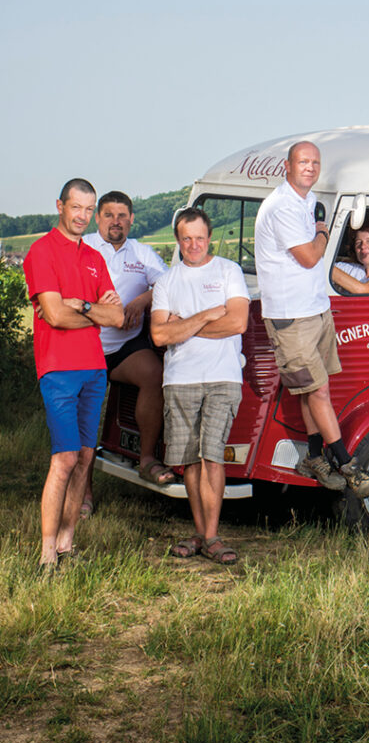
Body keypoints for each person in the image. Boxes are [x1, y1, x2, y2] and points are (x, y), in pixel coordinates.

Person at [253, 140, 369, 497]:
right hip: (290, 316)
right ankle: (348, 464)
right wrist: (323, 231)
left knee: (312, 389)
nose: (309, 167)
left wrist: (318, 226)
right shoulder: (282, 208)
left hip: (315, 308)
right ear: (287, 167)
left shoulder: (305, 202)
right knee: (319, 390)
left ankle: (313, 455)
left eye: (314, 162)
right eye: (303, 161)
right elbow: (310, 257)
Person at [23, 178, 124, 571]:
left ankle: (67, 545)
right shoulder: (41, 251)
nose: (82, 215)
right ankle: (46, 556)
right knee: (63, 458)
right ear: (60, 207)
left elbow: (116, 317)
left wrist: (80, 304)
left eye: (88, 209)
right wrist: (92, 312)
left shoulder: (95, 258)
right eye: (75, 207)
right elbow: (53, 314)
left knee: (85, 456)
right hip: (58, 370)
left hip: (94, 369)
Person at [151, 208, 250, 564]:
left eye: (200, 238)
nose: (194, 245)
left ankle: (212, 535)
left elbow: (238, 322)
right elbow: (160, 334)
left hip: (223, 376)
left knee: (212, 455)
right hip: (180, 379)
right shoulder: (167, 280)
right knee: (190, 461)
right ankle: (200, 532)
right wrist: (207, 315)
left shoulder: (229, 271)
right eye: (187, 239)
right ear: (178, 240)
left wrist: (186, 327)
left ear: (210, 238)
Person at [81, 190, 173, 515]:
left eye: (122, 215)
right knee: (86, 417)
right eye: (109, 215)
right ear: (97, 218)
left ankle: (146, 458)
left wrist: (142, 301)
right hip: (85, 347)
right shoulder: (85, 248)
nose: (115, 221)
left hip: (124, 348)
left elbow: (168, 283)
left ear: (132, 219)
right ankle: (84, 493)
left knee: (156, 375)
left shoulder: (141, 252)